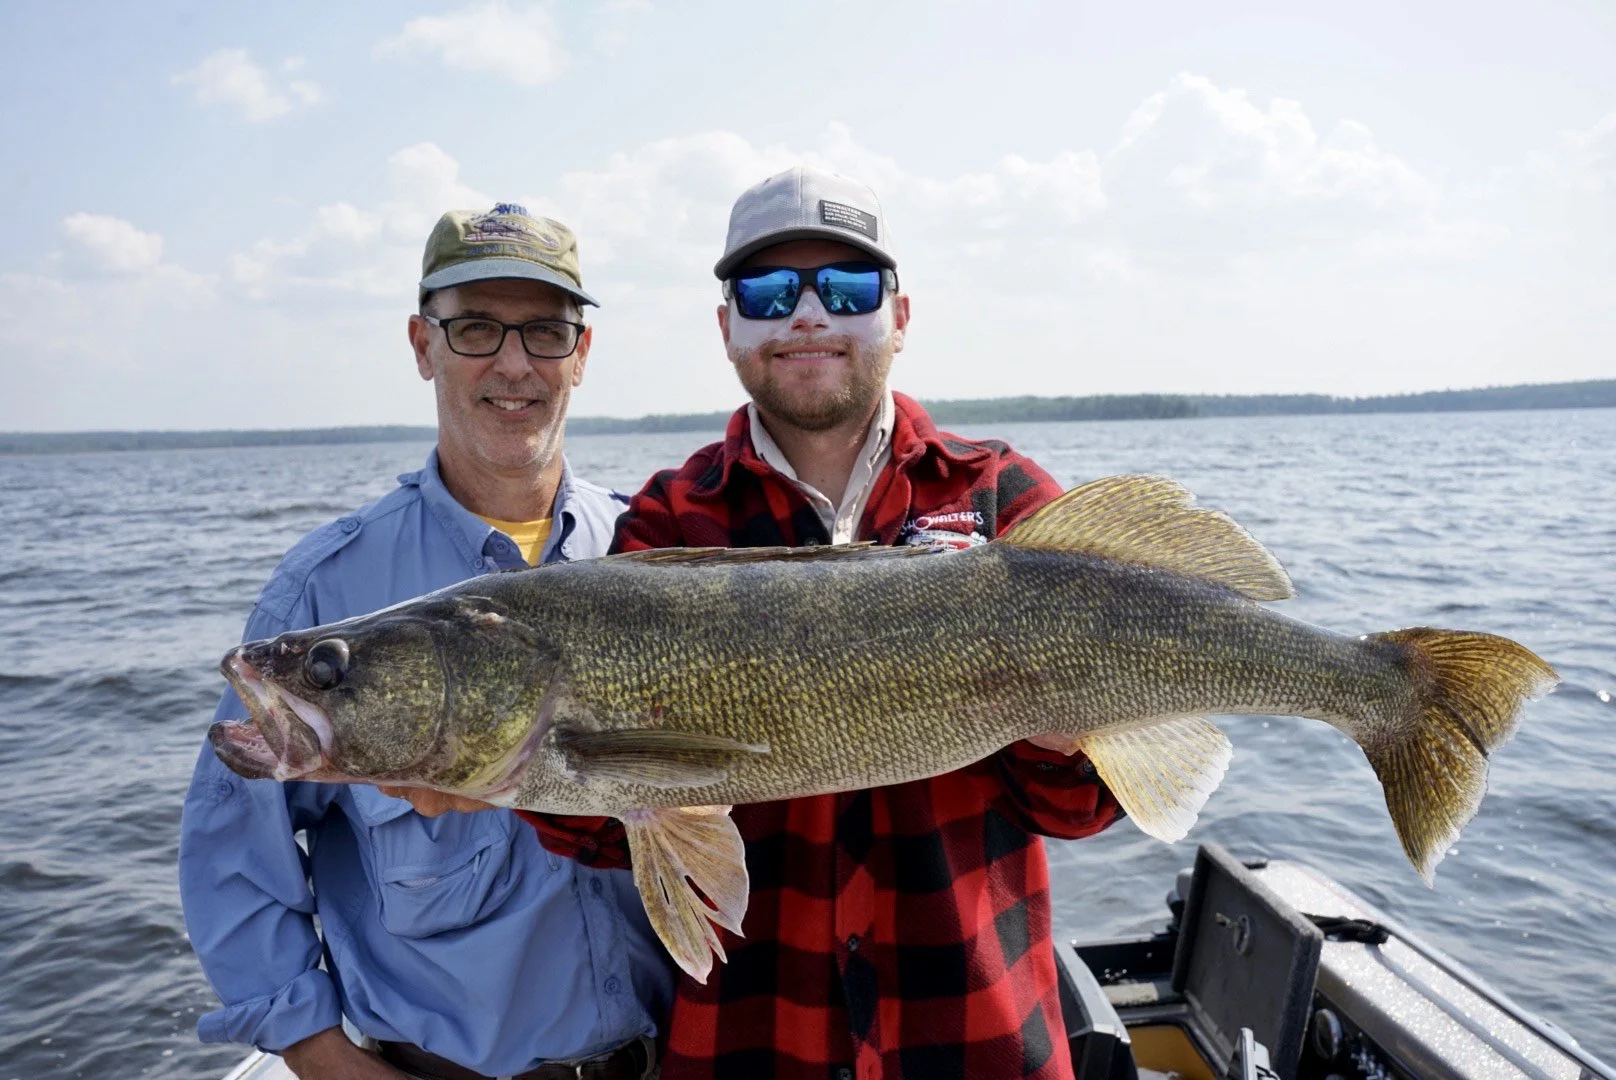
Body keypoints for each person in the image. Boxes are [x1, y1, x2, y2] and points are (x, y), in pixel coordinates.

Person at [526, 167, 1123, 1080]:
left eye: (846, 290)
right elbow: (620, 838)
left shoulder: (1006, 501)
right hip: (754, 1046)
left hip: (978, 1040)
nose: (807, 317)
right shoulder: (669, 526)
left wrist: (1059, 737)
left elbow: (1083, 809)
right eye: (768, 294)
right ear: (727, 327)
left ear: (900, 316)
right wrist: (517, 766)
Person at [179, 204, 671, 1080]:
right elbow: (233, 858)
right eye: (476, 327)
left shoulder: (651, 553)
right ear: (422, 345)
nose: (513, 364)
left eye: (546, 332)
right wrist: (328, 1059)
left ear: (582, 356)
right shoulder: (326, 590)